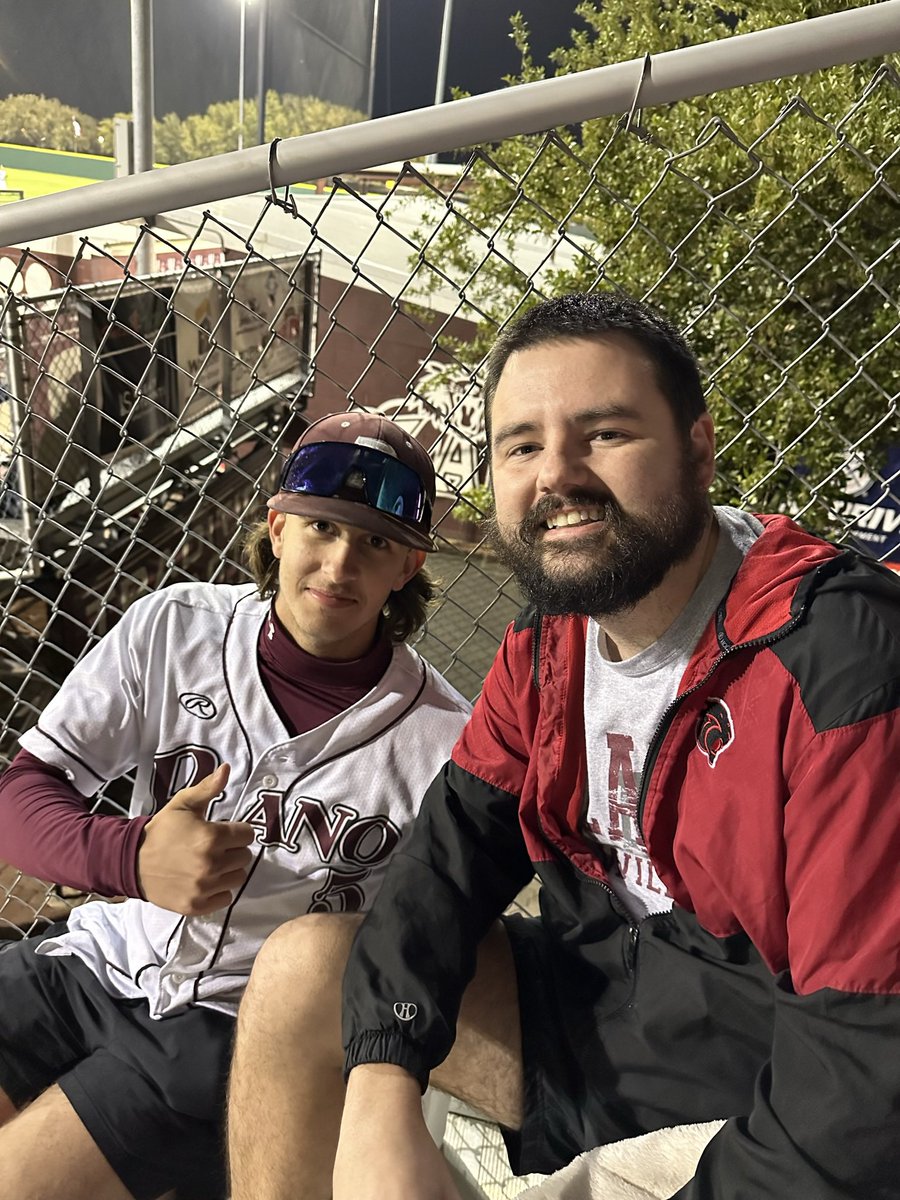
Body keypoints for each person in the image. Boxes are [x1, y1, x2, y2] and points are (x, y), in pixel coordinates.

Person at [227, 292, 900, 1200]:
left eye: (606, 434)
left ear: (698, 450)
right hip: (597, 1015)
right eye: (522, 446)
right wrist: (382, 1082)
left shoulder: (841, 670)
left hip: (760, 1078)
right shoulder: (551, 642)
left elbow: (864, 1080)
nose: (557, 475)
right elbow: (450, 857)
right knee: (303, 970)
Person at [0, 411, 471, 1200]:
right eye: (322, 525)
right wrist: (130, 856)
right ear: (277, 527)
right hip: (95, 959)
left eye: (375, 541)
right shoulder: (174, 626)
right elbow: (20, 794)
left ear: (408, 565)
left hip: (226, 1032)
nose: (340, 562)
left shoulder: (445, 739)